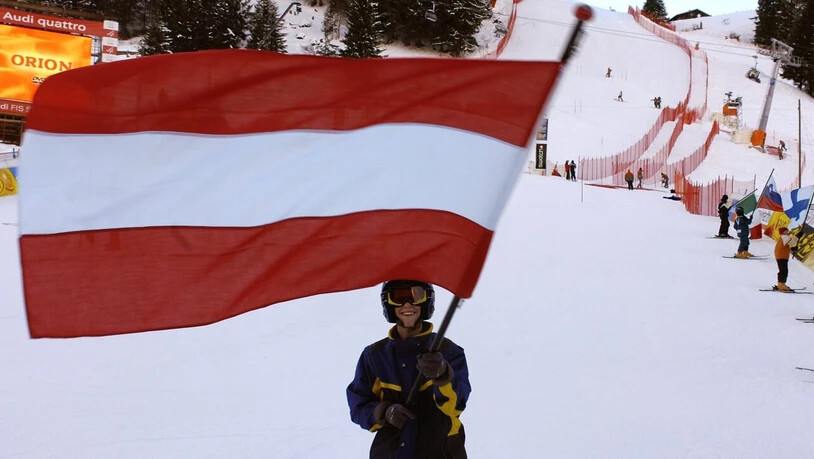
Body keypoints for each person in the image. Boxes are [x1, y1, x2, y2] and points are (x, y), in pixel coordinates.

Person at [347, 280, 471, 458]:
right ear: (388, 304)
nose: (407, 304)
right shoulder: (374, 357)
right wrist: (385, 412)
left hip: (442, 452)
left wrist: (442, 374)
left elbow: (456, 405)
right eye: (398, 297)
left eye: (416, 295)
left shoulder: (448, 352)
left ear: (426, 301)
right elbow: (358, 406)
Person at [773, 227, 798, 291]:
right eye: (786, 230)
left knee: (783, 270)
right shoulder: (784, 236)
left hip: (781, 256)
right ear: (783, 231)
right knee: (783, 271)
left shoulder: (783, 238)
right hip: (782, 256)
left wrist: (792, 249)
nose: (788, 231)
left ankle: (781, 283)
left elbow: (785, 247)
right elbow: (792, 241)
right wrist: (797, 237)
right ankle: (781, 284)